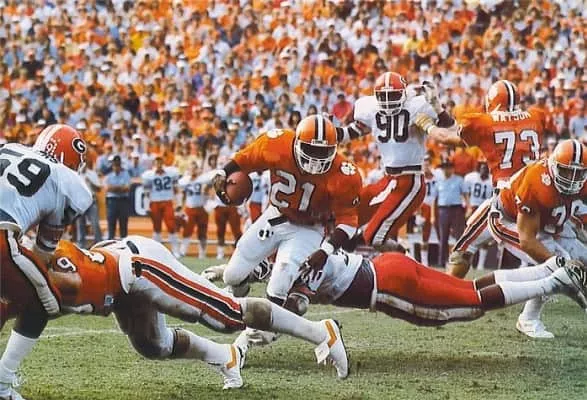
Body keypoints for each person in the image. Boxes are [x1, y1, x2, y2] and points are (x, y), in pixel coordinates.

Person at [40, 236, 349, 389]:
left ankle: (321, 332)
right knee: (152, 345)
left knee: (227, 315)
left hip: (136, 266)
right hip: (115, 277)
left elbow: (53, 293)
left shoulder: (40, 270)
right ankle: (225, 356)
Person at [213, 115, 361, 345]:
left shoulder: (344, 174)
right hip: (275, 216)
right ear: (297, 143)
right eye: (310, 150)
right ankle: (243, 290)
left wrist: (325, 250)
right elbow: (245, 159)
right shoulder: (277, 144)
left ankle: (266, 327)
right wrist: (223, 173)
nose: (315, 158)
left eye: (322, 152)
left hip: (308, 229)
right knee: (231, 275)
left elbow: (349, 222)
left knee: (279, 284)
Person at [0, 124, 92, 400]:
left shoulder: (9, 147)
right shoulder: (65, 179)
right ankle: (2, 383)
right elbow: (43, 252)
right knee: (44, 302)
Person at [282, 250, 587, 330]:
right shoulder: (304, 242)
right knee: (469, 288)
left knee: (472, 304)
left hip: (386, 284)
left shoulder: (291, 264)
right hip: (387, 263)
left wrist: (274, 310)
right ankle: (547, 269)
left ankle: (555, 281)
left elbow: (299, 306)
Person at [334, 72, 458, 251]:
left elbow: (450, 130)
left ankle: (405, 260)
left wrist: (438, 108)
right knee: (347, 218)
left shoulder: (416, 108)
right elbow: (350, 132)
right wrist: (328, 132)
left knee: (375, 237)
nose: (387, 101)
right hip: (388, 180)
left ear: (403, 94)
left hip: (410, 181)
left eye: (392, 96)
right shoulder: (372, 110)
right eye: (383, 96)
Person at [441, 80, 547, 278]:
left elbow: (449, 138)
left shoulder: (485, 122)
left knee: (463, 248)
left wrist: (429, 122)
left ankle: (448, 290)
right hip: (536, 193)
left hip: (508, 197)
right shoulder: (535, 115)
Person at [487, 139, 587, 338]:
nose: (572, 180)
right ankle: (528, 319)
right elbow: (527, 240)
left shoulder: (581, 184)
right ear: (553, 166)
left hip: (549, 221)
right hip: (509, 220)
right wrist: (559, 264)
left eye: (578, 174)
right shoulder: (536, 181)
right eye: (566, 172)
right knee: (558, 264)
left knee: (582, 256)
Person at [141, 154, 181, 257]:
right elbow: (146, 192)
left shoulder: (171, 173)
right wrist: (146, 206)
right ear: (154, 163)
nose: (158, 163)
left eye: (160, 161)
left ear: (163, 162)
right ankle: (156, 252)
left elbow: (176, 189)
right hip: (155, 202)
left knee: (171, 226)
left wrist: (179, 203)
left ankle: (175, 250)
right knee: (156, 227)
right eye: (157, 161)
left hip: (167, 201)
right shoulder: (149, 175)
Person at [435, 159, 467, 266]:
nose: (446, 170)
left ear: (452, 169)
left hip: (456, 209)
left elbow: (465, 194)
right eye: (444, 168)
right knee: (443, 236)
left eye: (448, 167)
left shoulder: (459, 180)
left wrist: (468, 207)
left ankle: (459, 260)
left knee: (459, 236)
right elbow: (435, 199)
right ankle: (441, 262)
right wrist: (433, 215)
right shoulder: (438, 181)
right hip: (443, 210)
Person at [178, 162, 213, 258]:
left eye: (194, 168)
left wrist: (206, 188)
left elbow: (210, 185)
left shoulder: (203, 179)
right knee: (187, 231)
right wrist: (181, 206)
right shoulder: (185, 181)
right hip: (189, 208)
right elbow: (183, 194)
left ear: (197, 169)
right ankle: (182, 251)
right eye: (191, 169)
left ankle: (202, 253)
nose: (193, 171)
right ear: (188, 170)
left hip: (201, 208)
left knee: (202, 232)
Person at [463, 160, 493, 270]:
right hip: (474, 208)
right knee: (469, 237)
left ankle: (481, 264)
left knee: (484, 237)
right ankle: (469, 264)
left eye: (486, 168)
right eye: (482, 167)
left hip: (486, 209)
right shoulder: (470, 177)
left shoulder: (492, 179)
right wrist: (468, 206)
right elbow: (465, 193)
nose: (483, 170)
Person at [76, 159, 103, 248]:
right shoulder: (77, 174)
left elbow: (99, 189)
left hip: (91, 200)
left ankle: (99, 243)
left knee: (95, 223)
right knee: (80, 224)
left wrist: (90, 181)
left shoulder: (92, 173)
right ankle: (81, 246)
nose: (83, 165)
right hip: (80, 201)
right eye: (81, 164)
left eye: (84, 163)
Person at [104, 155, 131, 240]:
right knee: (111, 224)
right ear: (112, 165)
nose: (116, 167)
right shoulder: (108, 176)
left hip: (123, 201)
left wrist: (114, 188)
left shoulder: (126, 174)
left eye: (118, 165)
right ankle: (110, 242)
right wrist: (120, 188)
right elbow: (107, 188)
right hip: (112, 201)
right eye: (115, 165)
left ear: (120, 165)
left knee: (123, 224)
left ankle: (124, 243)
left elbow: (127, 188)